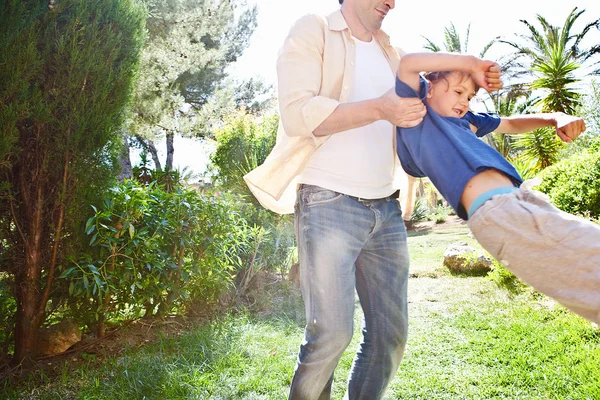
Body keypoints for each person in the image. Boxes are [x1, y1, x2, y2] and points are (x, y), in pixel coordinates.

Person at [243, 0, 434, 398]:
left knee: (390, 336)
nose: (393, 3)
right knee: (330, 335)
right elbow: (298, 114)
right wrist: (381, 108)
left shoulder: (392, 53)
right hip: (329, 203)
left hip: (386, 208)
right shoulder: (313, 29)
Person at [395, 51, 600, 324]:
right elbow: (409, 64)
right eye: (458, 91)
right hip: (497, 213)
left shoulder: (469, 122)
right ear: (430, 87)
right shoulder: (419, 117)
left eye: (469, 97)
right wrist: (470, 63)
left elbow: (512, 123)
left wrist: (555, 117)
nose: (464, 102)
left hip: (522, 199)